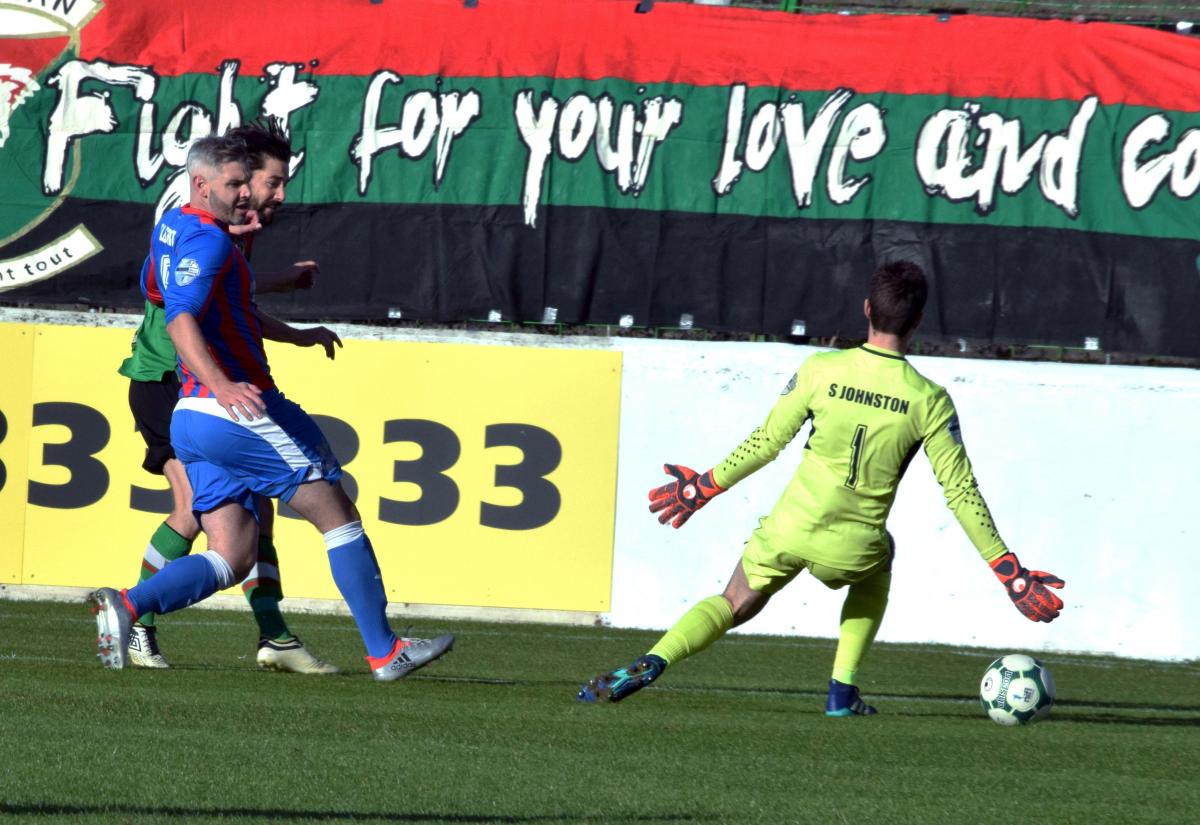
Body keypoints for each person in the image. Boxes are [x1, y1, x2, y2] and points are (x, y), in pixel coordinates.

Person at [577, 261, 1065, 714]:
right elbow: (960, 492)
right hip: (852, 548)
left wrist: (702, 488)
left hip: (788, 529)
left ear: (867, 309)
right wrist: (1009, 572)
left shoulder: (821, 370)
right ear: (917, 321)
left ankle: (656, 659)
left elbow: (767, 443)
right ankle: (841, 691)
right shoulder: (929, 400)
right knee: (882, 556)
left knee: (733, 602)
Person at [89, 132, 454, 680]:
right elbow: (180, 317)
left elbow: (167, 292)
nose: (247, 194)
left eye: (248, 183)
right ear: (201, 184)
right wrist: (222, 382)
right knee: (337, 515)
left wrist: (293, 333)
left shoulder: (174, 230)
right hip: (233, 409)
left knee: (232, 555)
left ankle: (128, 605)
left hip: (191, 417)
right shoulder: (211, 243)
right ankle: (385, 651)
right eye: (238, 183)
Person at [118, 122, 333, 673]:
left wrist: (286, 305)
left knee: (257, 510)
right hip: (167, 378)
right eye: (271, 182)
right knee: (193, 510)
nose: (278, 195)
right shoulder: (200, 221)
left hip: (198, 382)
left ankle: (274, 636)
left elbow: (230, 296)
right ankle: (132, 618)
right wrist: (217, 380)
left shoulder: (231, 228)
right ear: (234, 178)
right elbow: (175, 301)